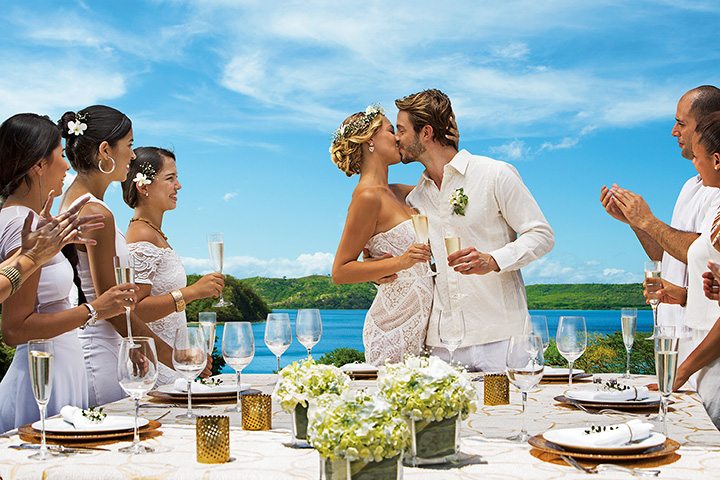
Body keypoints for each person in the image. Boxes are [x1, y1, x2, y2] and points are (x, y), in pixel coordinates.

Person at [394, 89, 554, 372]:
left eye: (402, 130)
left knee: (510, 415)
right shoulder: (416, 198)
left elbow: (541, 235)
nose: (397, 137)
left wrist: (492, 260)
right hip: (441, 347)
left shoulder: (495, 174)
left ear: (426, 133)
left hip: (501, 340)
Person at [0, 113, 136, 432]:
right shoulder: (23, 223)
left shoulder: (26, 220)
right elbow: (15, 330)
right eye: (60, 156)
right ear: (38, 165)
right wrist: (94, 310)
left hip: (58, 372)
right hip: (40, 384)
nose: (66, 165)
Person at [58, 105, 187, 406]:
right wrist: (170, 356)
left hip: (96, 342)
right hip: (100, 350)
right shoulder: (95, 212)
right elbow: (112, 303)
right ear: (105, 150)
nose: (132, 156)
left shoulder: (75, 202)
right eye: (128, 146)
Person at [600, 86, 720, 334]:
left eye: (681, 123)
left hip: (701, 336)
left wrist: (648, 221)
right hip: (672, 334)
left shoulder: (716, 188)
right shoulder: (690, 186)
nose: (674, 131)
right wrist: (635, 222)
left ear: (708, 124)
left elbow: (704, 253)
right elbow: (670, 259)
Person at [330, 105, 433, 365]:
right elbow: (340, 271)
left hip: (423, 327)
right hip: (391, 329)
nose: (398, 137)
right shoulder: (367, 197)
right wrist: (401, 261)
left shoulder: (398, 191)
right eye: (391, 130)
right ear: (369, 141)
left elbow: (444, 191)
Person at [121, 147, 224, 385]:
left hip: (171, 364)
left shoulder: (153, 233)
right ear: (143, 186)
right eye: (170, 178)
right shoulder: (141, 237)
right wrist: (192, 292)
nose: (178, 186)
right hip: (157, 367)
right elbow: (135, 310)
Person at [662, 111, 720, 428]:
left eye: (697, 157)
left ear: (717, 160)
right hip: (704, 362)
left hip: (711, 360)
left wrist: (681, 371)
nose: (693, 164)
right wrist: (687, 295)